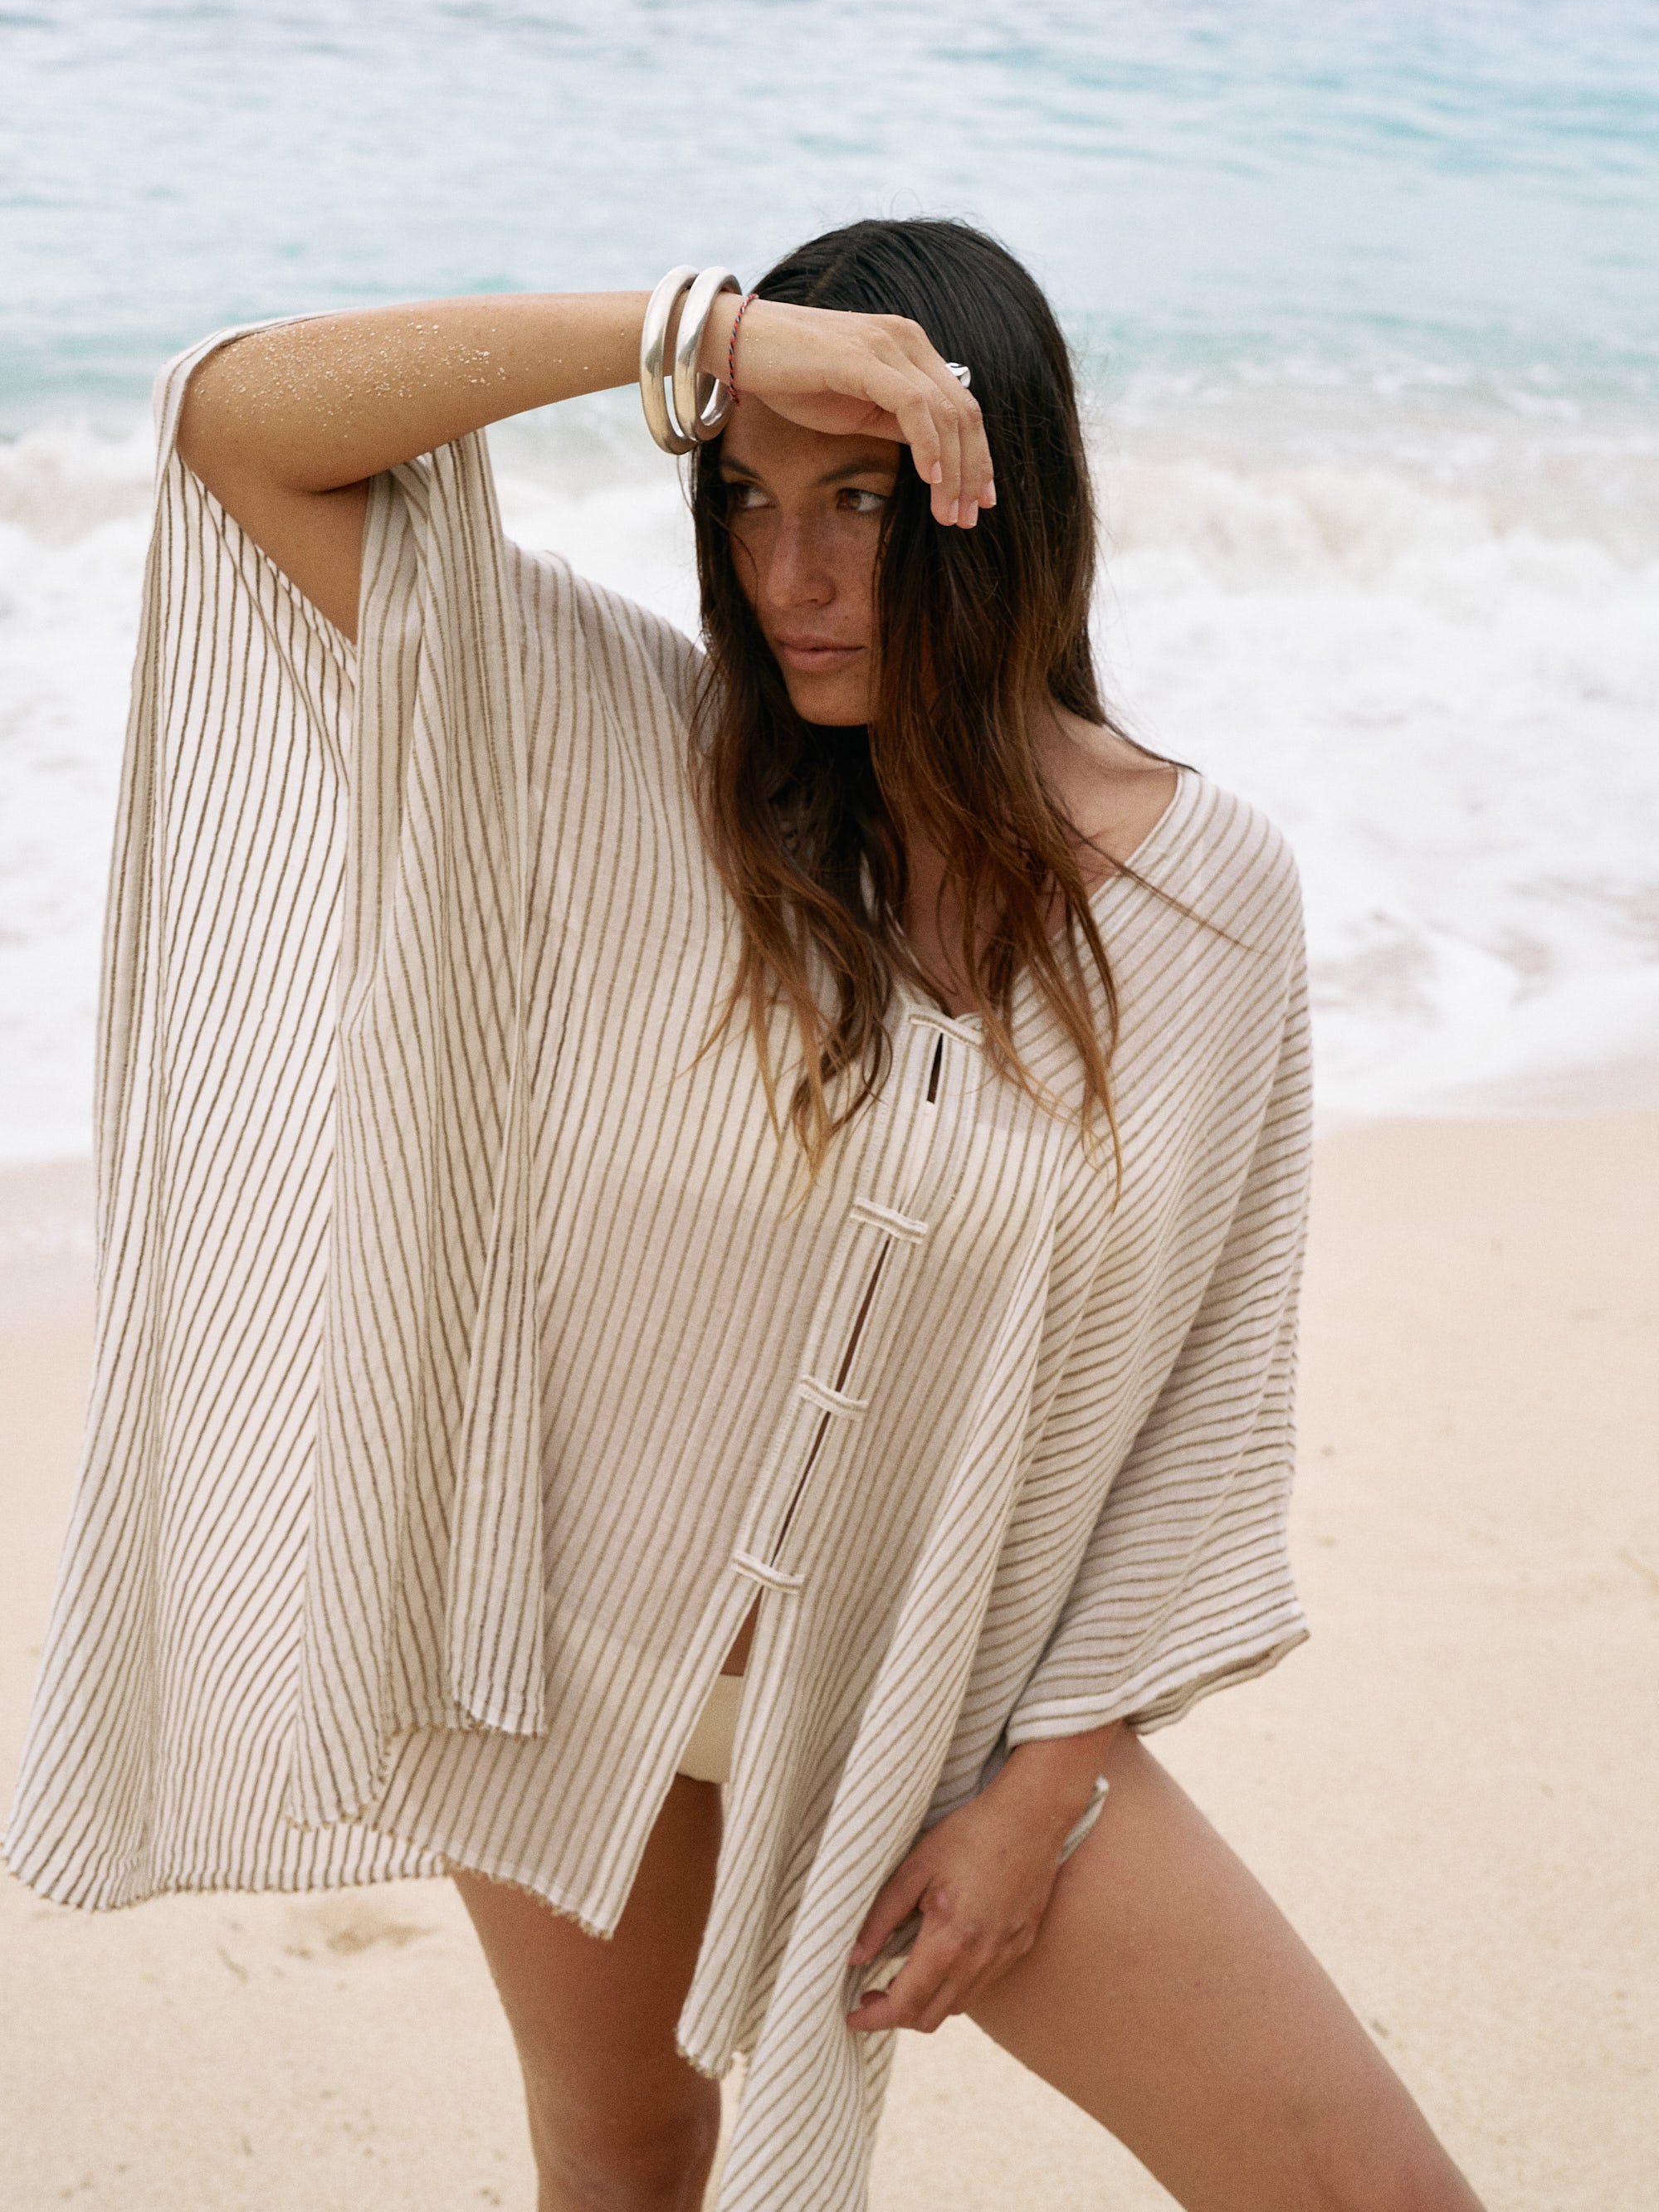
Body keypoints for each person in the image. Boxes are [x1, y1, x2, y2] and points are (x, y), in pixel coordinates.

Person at [4, 219, 1484, 2212]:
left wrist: (1043, 1792)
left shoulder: (1203, 897)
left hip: (941, 1704)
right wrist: (699, 332)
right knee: (625, 2164)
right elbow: (235, 424)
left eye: (859, 501)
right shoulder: (629, 747)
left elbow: (1193, 1397)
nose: (791, 578)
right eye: (747, 500)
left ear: (999, 504)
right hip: (566, 1646)